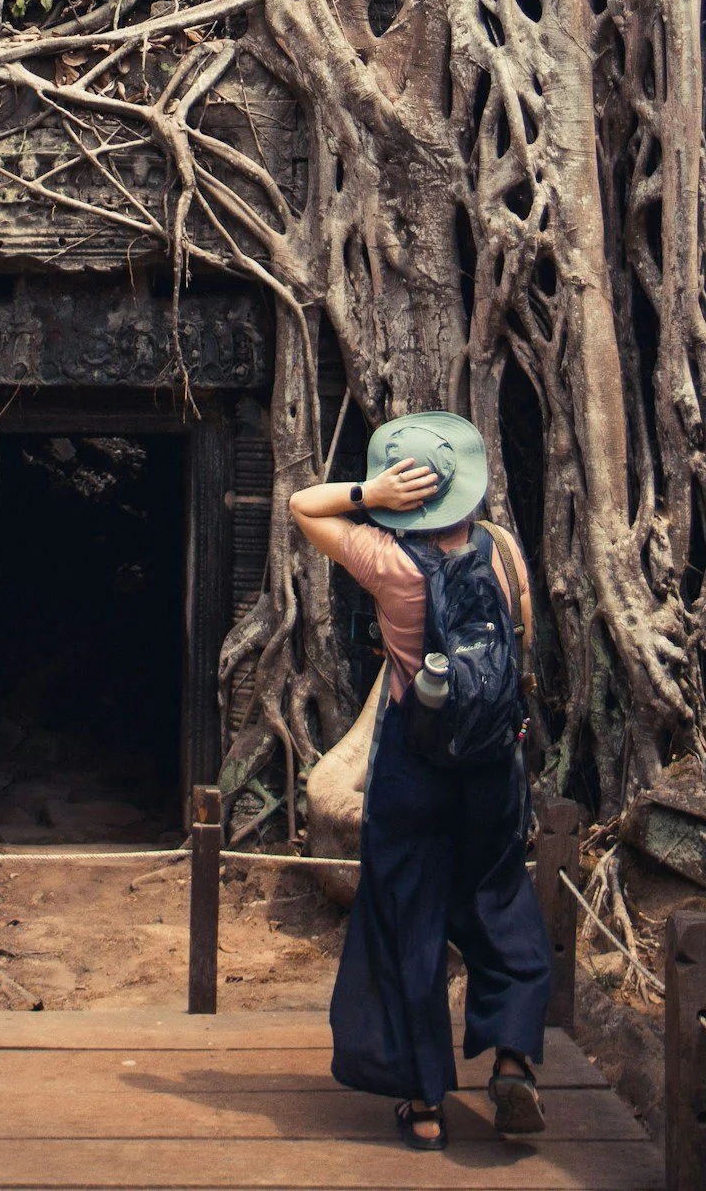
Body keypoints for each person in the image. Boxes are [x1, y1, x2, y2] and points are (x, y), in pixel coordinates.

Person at [290, 410, 553, 1152]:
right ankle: (512, 1059)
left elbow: (300, 504)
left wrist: (368, 493)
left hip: (414, 760)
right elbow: (523, 637)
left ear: (406, 494)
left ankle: (425, 1099)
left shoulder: (384, 561)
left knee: (408, 912)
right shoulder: (504, 552)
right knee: (500, 898)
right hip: (492, 760)